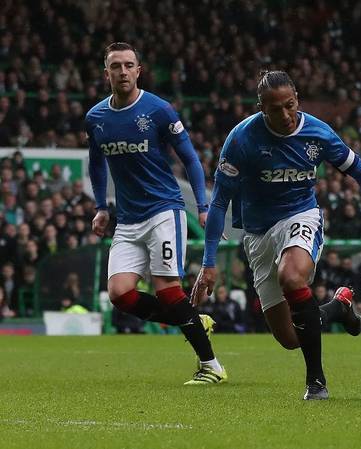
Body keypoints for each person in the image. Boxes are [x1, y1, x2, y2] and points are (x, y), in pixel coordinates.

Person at [191, 70, 361, 400]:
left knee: (291, 276)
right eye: (276, 109)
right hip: (257, 234)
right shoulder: (242, 139)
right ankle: (338, 307)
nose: (286, 115)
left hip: (300, 216)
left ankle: (316, 382)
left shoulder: (318, 133)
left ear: (297, 99)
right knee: (289, 337)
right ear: (261, 107)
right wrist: (208, 262)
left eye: (290, 105)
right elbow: (218, 203)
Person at [85, 42, 225, 385]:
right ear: (106, 73)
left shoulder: (159, 110)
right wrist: (101, 207)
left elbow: (189, 158)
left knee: (167, 290)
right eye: (115, 66)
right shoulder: (96, 118)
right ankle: (192, 319)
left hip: (164, 211)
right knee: (120, 293)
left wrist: (202, 207)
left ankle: (211, 366)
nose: (122, 71)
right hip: (127, 219)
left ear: (138, 70)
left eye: (128, 65)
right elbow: (96, 163)